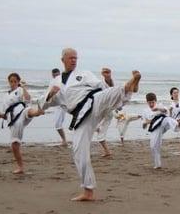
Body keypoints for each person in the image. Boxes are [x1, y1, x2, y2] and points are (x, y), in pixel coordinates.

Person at [43, 48, 141, 201]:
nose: (74, 60)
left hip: (93, 101)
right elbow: (43, 104)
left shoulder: (85, 74)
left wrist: (108, 79)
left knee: (107, 95)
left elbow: (102, 87)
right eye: (71, 58)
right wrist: (50, 94)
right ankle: (88, 191)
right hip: (81, 117)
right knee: (78, 152)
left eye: (76, 58)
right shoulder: (55, 83)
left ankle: (131, 84)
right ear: (63, 59)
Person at [0, 73, 44, 174]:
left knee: (29, 111)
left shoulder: (20, 90)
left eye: (15, 81)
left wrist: (24, 87)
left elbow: (28, 99)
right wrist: (1, 115)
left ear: (18, 82)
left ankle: (38, 111)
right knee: (14, 145)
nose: (13, 83)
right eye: (11, 81)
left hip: (21, 111)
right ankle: (20, 166)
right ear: (9, 82)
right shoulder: (5, 96)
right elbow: (6, 114)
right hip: (14, 119)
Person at [142, 93, 180, 169]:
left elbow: (165, 111)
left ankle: (178, 124)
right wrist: (146, 123)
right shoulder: (145, 111)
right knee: (153, 146)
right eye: (149, 102)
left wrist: (158, 109)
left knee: (167, 119)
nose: (151, 104)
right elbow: (144, 126)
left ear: (155, 101)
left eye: (153, 102)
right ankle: (157, 165)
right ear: (146, 102)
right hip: (155, 128)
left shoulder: (159, 105)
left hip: (163, 123)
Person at [50, 68, 68, 146]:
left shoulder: (63, 81)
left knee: (58, 124)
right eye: (54, 75)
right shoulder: (52, 82)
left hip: (63, 105)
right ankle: (64, 141)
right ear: (52, 75)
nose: (56, 77)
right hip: (57, 105)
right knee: (57, 125)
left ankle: (64, 141)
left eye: (57, 75)